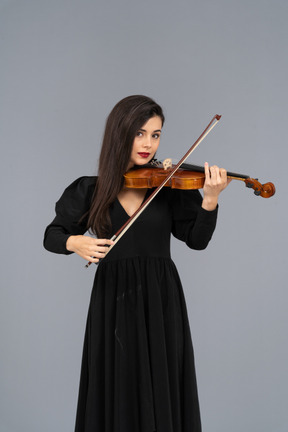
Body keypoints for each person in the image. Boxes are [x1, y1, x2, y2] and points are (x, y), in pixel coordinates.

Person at [44, 95, 230, 432]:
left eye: (156, 134)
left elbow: (197, 240)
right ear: (120, 133)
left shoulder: (168, 184)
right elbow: (52, 235)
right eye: (139, 133)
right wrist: (76, 242)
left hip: (161, 298)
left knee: (163, 382)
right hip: (112, 299)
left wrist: (211, 199)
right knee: (115, 383)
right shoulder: (91, 189)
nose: (148, 143)